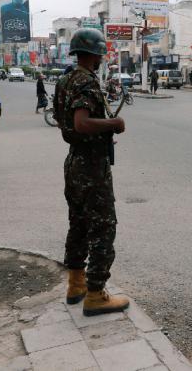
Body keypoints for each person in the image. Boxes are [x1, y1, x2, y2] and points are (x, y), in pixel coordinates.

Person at [53, 28, 130, 316]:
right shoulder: (85, 81)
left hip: (74, 162)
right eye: (100, 53)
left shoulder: (65, 80)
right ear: (95, 53)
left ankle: (76, 284)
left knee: (79, 224)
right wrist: (114, 124)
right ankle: (96, 294)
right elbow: (82, 123)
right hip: (90, 166)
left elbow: (68, 123)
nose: (101, 58)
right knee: (103, 227)